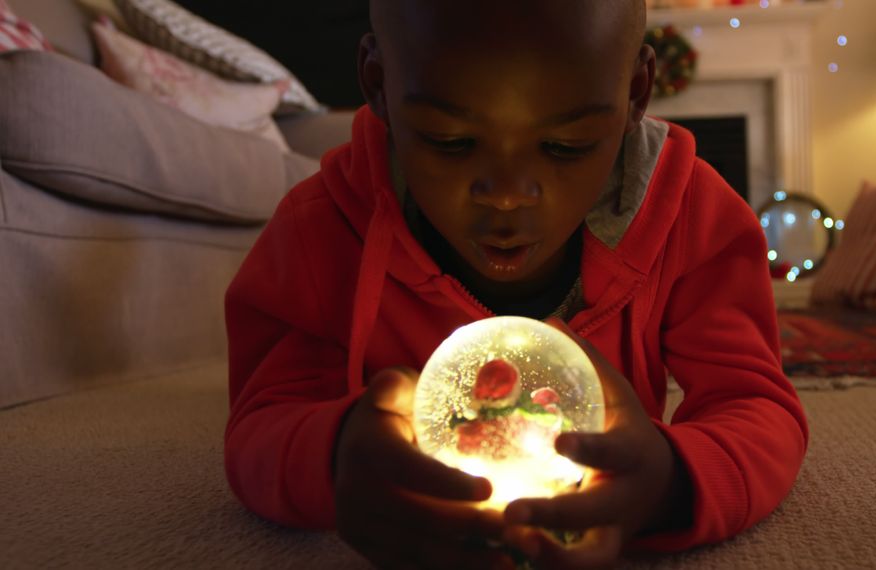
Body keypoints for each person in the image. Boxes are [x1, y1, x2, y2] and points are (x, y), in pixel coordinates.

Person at [224, 1, 808, 568]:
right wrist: (332, 456)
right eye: (450, 141)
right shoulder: (320, 230)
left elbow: (757, 407)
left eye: (565, 146)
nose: (507, 194)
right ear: (377, 84)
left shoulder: (695, 217)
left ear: (635, 93)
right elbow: (260, 427)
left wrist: (672, 483)